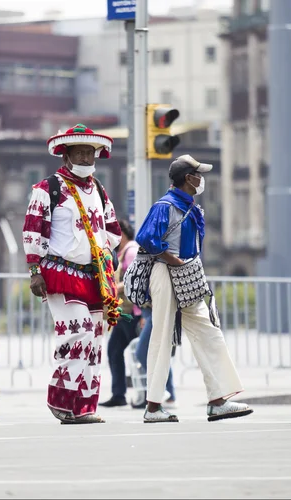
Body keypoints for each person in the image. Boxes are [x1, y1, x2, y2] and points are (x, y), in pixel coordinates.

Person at [135, 154, 252, 423]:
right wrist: (172, 259)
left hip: (186, 274)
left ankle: (218, 399)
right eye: (198, 174)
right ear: (188, 179)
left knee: (209, 332)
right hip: (166, 272)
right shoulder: (165, 205)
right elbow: (146, 238)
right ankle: (153, 406)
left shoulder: (188, 205)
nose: (202, 179)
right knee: (162, 336)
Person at [23, 124, 122, 424]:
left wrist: (111, 253)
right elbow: (32, 229)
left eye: (89, 151)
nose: (85, 156)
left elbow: (113, 231)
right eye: (78, 151)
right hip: (60, 273)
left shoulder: (99, 190)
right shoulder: (47, 189)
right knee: (77, 331)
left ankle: (84, 407)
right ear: (65, 154)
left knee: (94, 339)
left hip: (94, 277)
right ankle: (60, 398)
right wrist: (34, 270)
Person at [100, 219, 141, 407]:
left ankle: (160, 393)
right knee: (115, 350)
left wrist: (114, 287)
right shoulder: (123, 253)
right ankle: (119, 395)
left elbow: (136, 279)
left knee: (142, 353)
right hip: (123, 312)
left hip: (133, 312)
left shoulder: (131, 251)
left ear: (121, 234)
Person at [132, 305, 177, 409]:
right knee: (156, 354)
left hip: (155, 310)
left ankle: (165, 392)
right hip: (148, 311)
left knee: (142, 353)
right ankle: (168, 394)